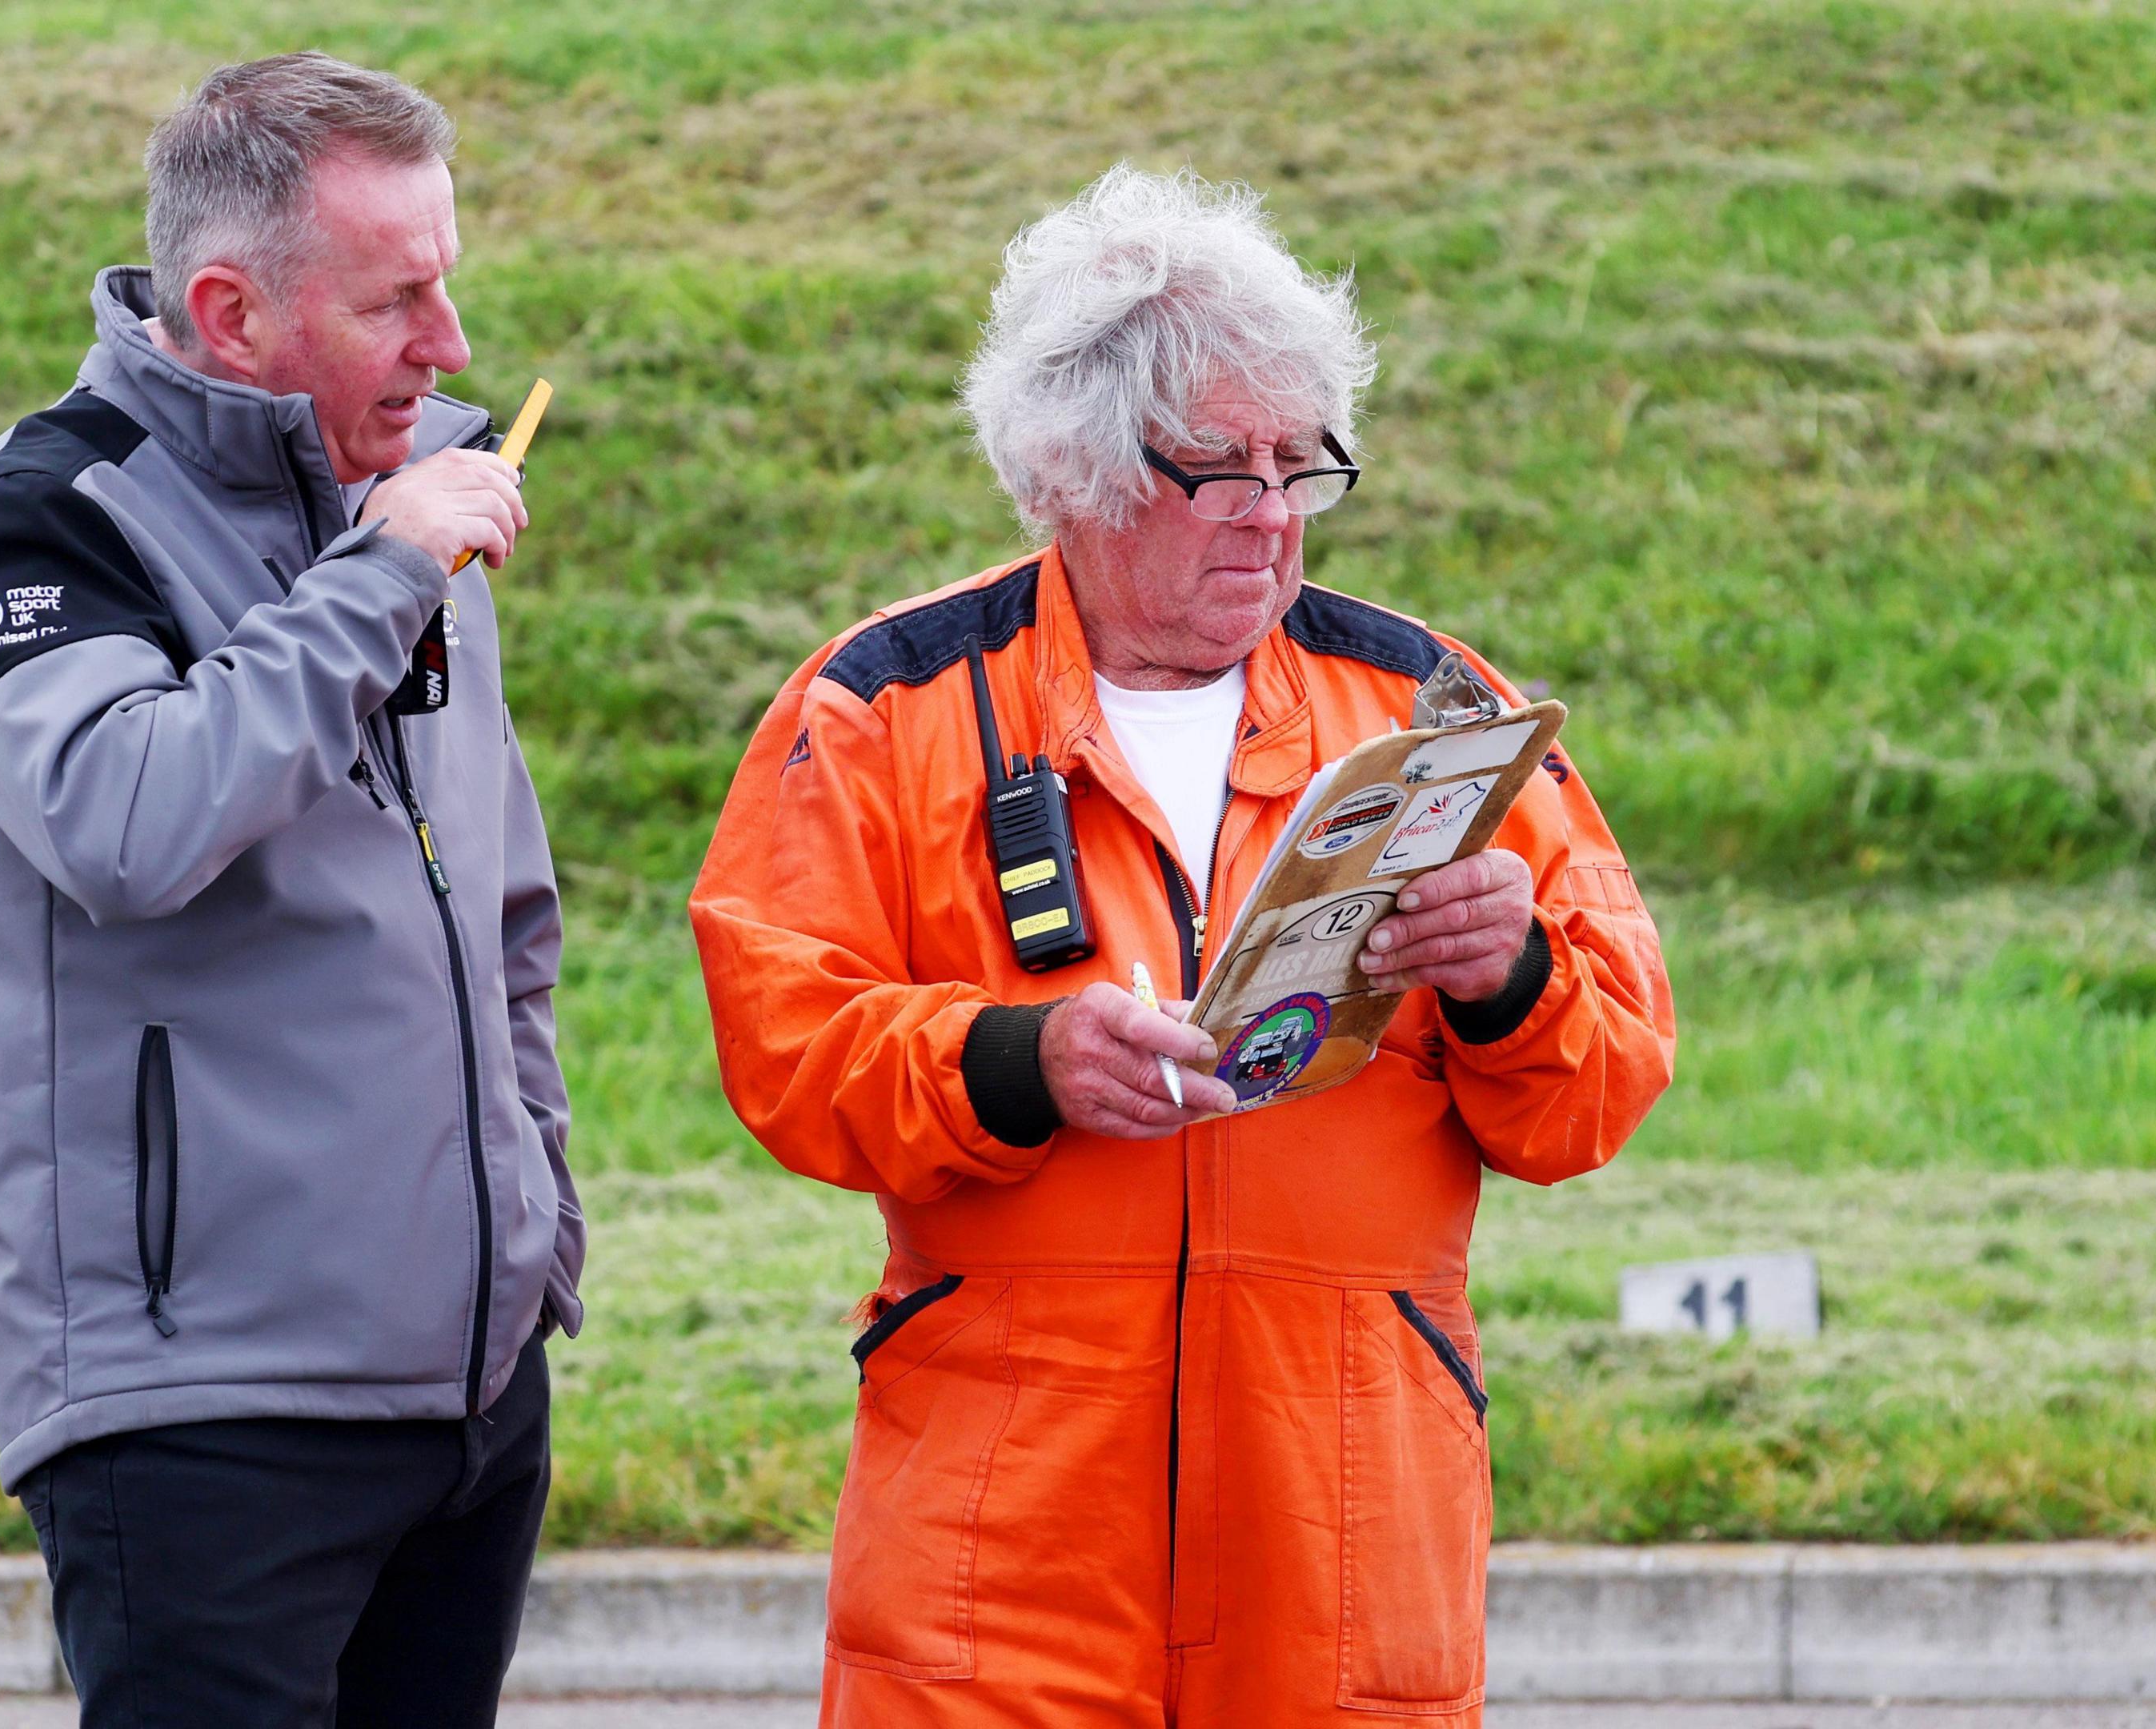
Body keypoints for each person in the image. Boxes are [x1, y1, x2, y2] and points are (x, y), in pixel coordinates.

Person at [691, 166, 1676, 1726]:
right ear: (1068, 469)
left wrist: (1513, 979)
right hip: (999, 1557)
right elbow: (787, 1049)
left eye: (1303, 466)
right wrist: (1022, 1061)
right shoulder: (887, 705)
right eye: (1218, 470)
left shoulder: (1438, 712)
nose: (1273, 516)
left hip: (1345, 1527)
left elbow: (1601, 1091)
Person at [0, 53, 579, 1727]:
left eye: (451, 281)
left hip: (470, 1406)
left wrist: (534, 1228)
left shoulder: (402, 492)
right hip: (200, 1415)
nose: (453, 344)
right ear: (230, 309)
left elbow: (501, 912)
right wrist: (385, 573)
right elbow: (129, 821)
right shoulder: (44, 526)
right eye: (399, 298)